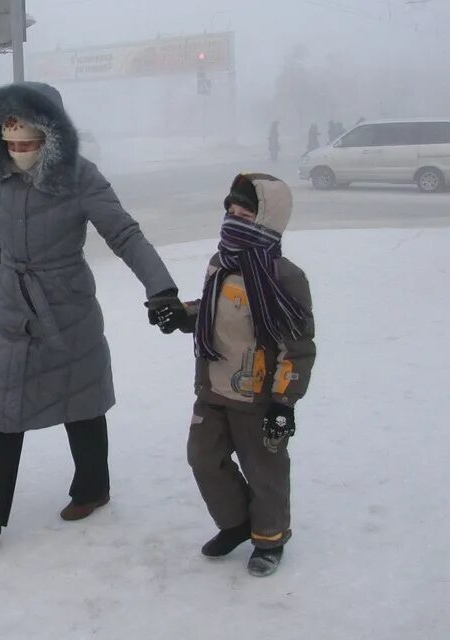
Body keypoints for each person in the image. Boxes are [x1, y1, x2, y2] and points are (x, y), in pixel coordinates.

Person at [0, 81, 185, 550]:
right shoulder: (2, 180)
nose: (18, 154)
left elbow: (125, 235)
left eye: (28, 145)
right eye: (9, 145)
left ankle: (92, 489)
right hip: (10, 310)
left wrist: (162, 289)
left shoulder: (81, 177)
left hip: (66, 308)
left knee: (82, 402)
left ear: (50, 136)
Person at [157, 173, 316, 577]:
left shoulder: (285, 277)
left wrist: (284, 402)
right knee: (203, 458)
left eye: (244, 211)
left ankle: (269, 537)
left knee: (265, 470)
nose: (233, 218)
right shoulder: (221, 263)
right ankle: (236, 524)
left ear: (267, 218)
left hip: (258, 395)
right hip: (213, 386)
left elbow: (296, 347)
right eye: (230, 210)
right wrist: (182, 315)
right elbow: (213, 310)